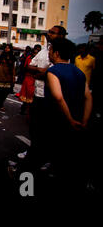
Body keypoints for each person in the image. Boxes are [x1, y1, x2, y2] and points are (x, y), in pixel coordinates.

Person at [45, 38, 92, 195]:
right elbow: (88, 97)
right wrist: (83, 121)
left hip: (58, 121)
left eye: (50, 50)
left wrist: (69, 119)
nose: (49, 53)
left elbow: (58, 97)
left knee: (47, 155)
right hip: (77, 122)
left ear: (57, 53)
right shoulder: (79, 72)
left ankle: (27, 189)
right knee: (69, 160)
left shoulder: (53, 71)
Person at [21, 25, 67, 170]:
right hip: (38, 94)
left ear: (61, 36)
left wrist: (44, 73)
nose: (49, 34)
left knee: (50, 130)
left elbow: (56, 71)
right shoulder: (44, 51)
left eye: (53, 33)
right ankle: (33, 151)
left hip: (52, 98)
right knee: (34, 126)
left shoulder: (64, 53)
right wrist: (40, 71)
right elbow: (29, 66)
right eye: (49, 32)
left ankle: (48, 158)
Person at [18, 44, 41, 115]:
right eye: (36, 49)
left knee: (33, 96)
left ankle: (29, 111)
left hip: (36, 78)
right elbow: (26, 67)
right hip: (29, 77)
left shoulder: (40, 58)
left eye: (38, 49)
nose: (36, 50)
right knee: (27, 94)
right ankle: (24, 109)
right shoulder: (29, 57)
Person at [0, 44, 16, 112]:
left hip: (8, 76)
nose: (7, 49)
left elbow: (13, 68)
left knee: (6, 91)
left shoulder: (12, 57)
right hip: (0, 75)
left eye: (8, 48)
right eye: (6, 48)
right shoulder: (1, 56)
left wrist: (13, 77)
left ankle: (1, 103)